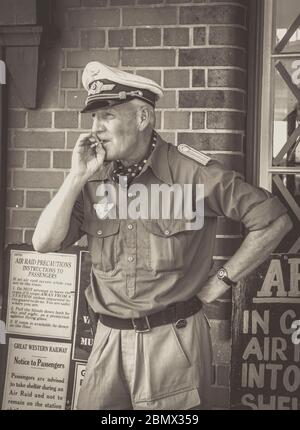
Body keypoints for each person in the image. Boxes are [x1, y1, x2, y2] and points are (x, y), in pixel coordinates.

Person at [32, 61, 292, 410]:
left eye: (107, 115)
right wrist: (75, 177)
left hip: (172, 339)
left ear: (142, 118)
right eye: (93, 118)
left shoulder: (191, 174)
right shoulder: (93, 181)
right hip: (106, 341)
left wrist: (221, 281)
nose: (96, 129)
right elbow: (43, 243)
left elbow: (274, 220)